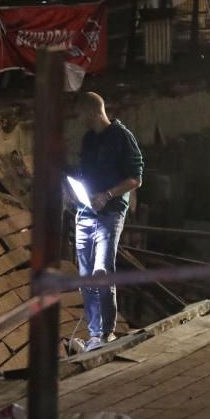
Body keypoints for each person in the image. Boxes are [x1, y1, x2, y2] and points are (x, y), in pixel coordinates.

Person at [73, 92, 144, 352]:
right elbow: (85, 172)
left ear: (91, 112)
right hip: (86, 211)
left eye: (79, 114)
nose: (78, 119)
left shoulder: (122, 137)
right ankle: (93, 335)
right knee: (85, 276)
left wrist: (107, 195)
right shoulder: (89, 139)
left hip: (110, 211)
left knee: (101, 271)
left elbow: (136, 178)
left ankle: (106, 334)